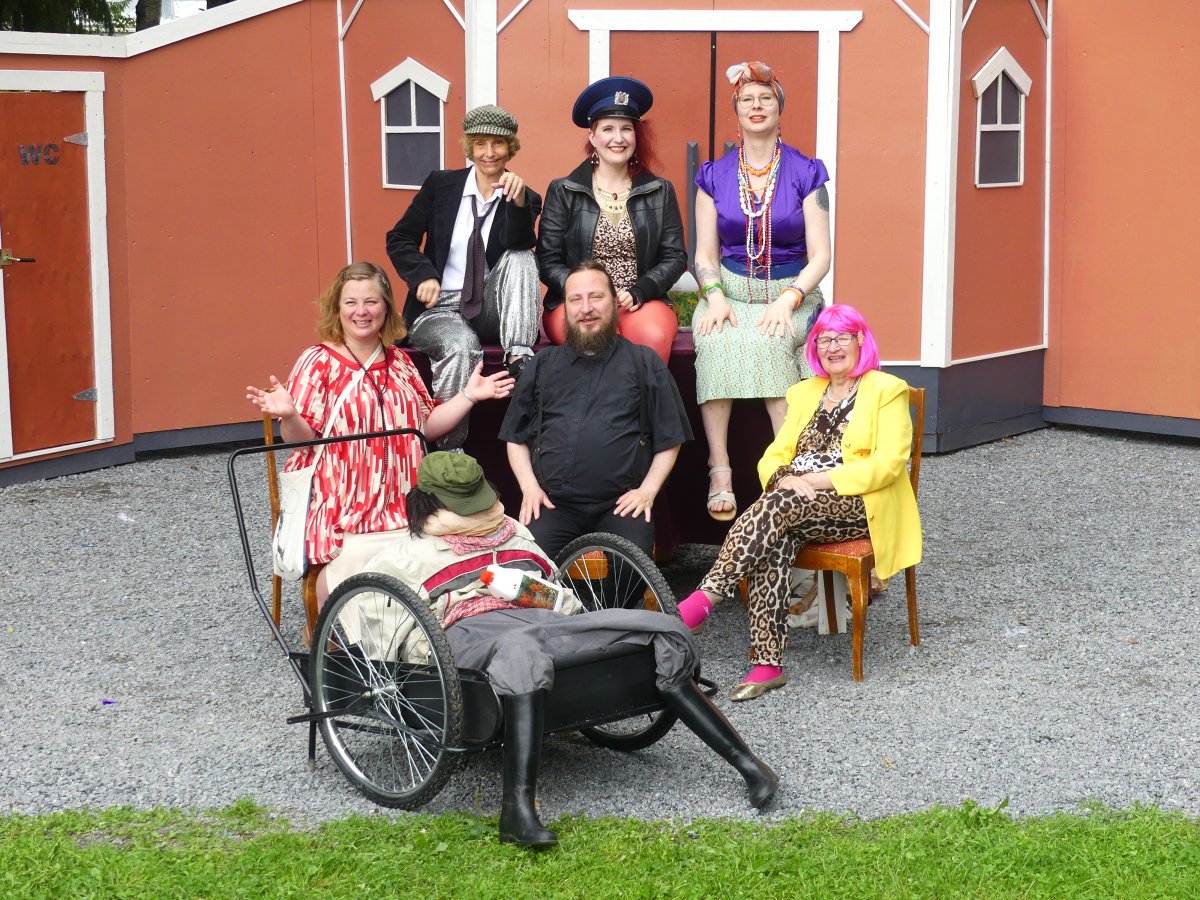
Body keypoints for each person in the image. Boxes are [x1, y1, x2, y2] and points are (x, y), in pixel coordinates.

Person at [327, 450, 777, 847]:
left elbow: (557, 591)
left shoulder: (512, 531)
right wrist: (440, 634)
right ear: (432, 504)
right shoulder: (403, 557)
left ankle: (748, 764)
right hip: (469, 635)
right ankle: (516, 812)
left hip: (543, 620)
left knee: (655, 627)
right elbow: (389, 637)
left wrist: (536, 594)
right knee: (520, 651)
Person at [676, 305, 922, 701]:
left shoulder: (886, 390)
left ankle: (705, 599)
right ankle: (767, 664)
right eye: (824, 339)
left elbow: (889, 464)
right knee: (775, 537)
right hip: (798, 502)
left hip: (859, 502)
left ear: (860, 340)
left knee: (778, 507)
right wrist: (785, 478)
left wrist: (816, 481)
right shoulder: (805, 392)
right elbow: (773, 456)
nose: (833, 347)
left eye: (842, 337)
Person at [245, 262, 513, 603]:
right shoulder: (317, 362)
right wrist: (290, 416)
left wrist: (469, 396)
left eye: (371, 302)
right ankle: (335, 619)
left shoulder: (400, 362)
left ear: (386, 308)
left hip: (404, 502)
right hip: (344, 504)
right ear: (337, 308)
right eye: (351, 302)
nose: (361, 311)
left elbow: (424, 428)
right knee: (365, 577)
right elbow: (302, 441)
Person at [692, 61, 832, 522]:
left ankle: (783, 472)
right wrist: (714, 295)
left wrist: (789, 299)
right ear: (736, 110)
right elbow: (704, 254)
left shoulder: (807, 172)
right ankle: (719, 468)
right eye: (747, 99)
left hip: (790, 292)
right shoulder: (713, 176)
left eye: (765, 98)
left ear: (778, 108)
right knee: (714, 338)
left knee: (772, 340)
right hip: (729, 293)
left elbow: (821, 256)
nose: (757, 106)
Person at [499, 261, 693, 561]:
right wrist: (529, 488)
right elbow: (515, 436)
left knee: (629, 572)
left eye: (596, 297)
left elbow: (671, 437)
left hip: (621, 506)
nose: (586, 308)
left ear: (614, 302)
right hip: (552, 505)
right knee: (528, 568)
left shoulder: (644, 362)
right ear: (565, 308)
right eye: (575, 299)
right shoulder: (542, 364)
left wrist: (647, 491)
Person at [385, 104, 542, 449]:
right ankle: (449, 453)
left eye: (498, 143)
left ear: (510, 148)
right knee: (461, 346)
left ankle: (518, 356)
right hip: (438, 306)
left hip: (489, 307)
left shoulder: (525, 197)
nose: (489, 153)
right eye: (480, 143)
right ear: (470, 147)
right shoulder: (440, 185)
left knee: (522, 257)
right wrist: (423, 275)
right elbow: (399, 238)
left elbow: (519, 243)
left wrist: (516, 203)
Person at [536, 76, 686, 365]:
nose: (618, 138)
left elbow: (675, 256)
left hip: (638, 300)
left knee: (653, 336)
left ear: (636, 136)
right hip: (579, 300)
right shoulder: (563, 190)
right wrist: (585, 291)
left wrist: (641, 290)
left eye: (626, 129)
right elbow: (547, 261)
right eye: (608, 129)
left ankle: (645, 397)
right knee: (596, 340)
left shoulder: (660, 190)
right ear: (592, 137)